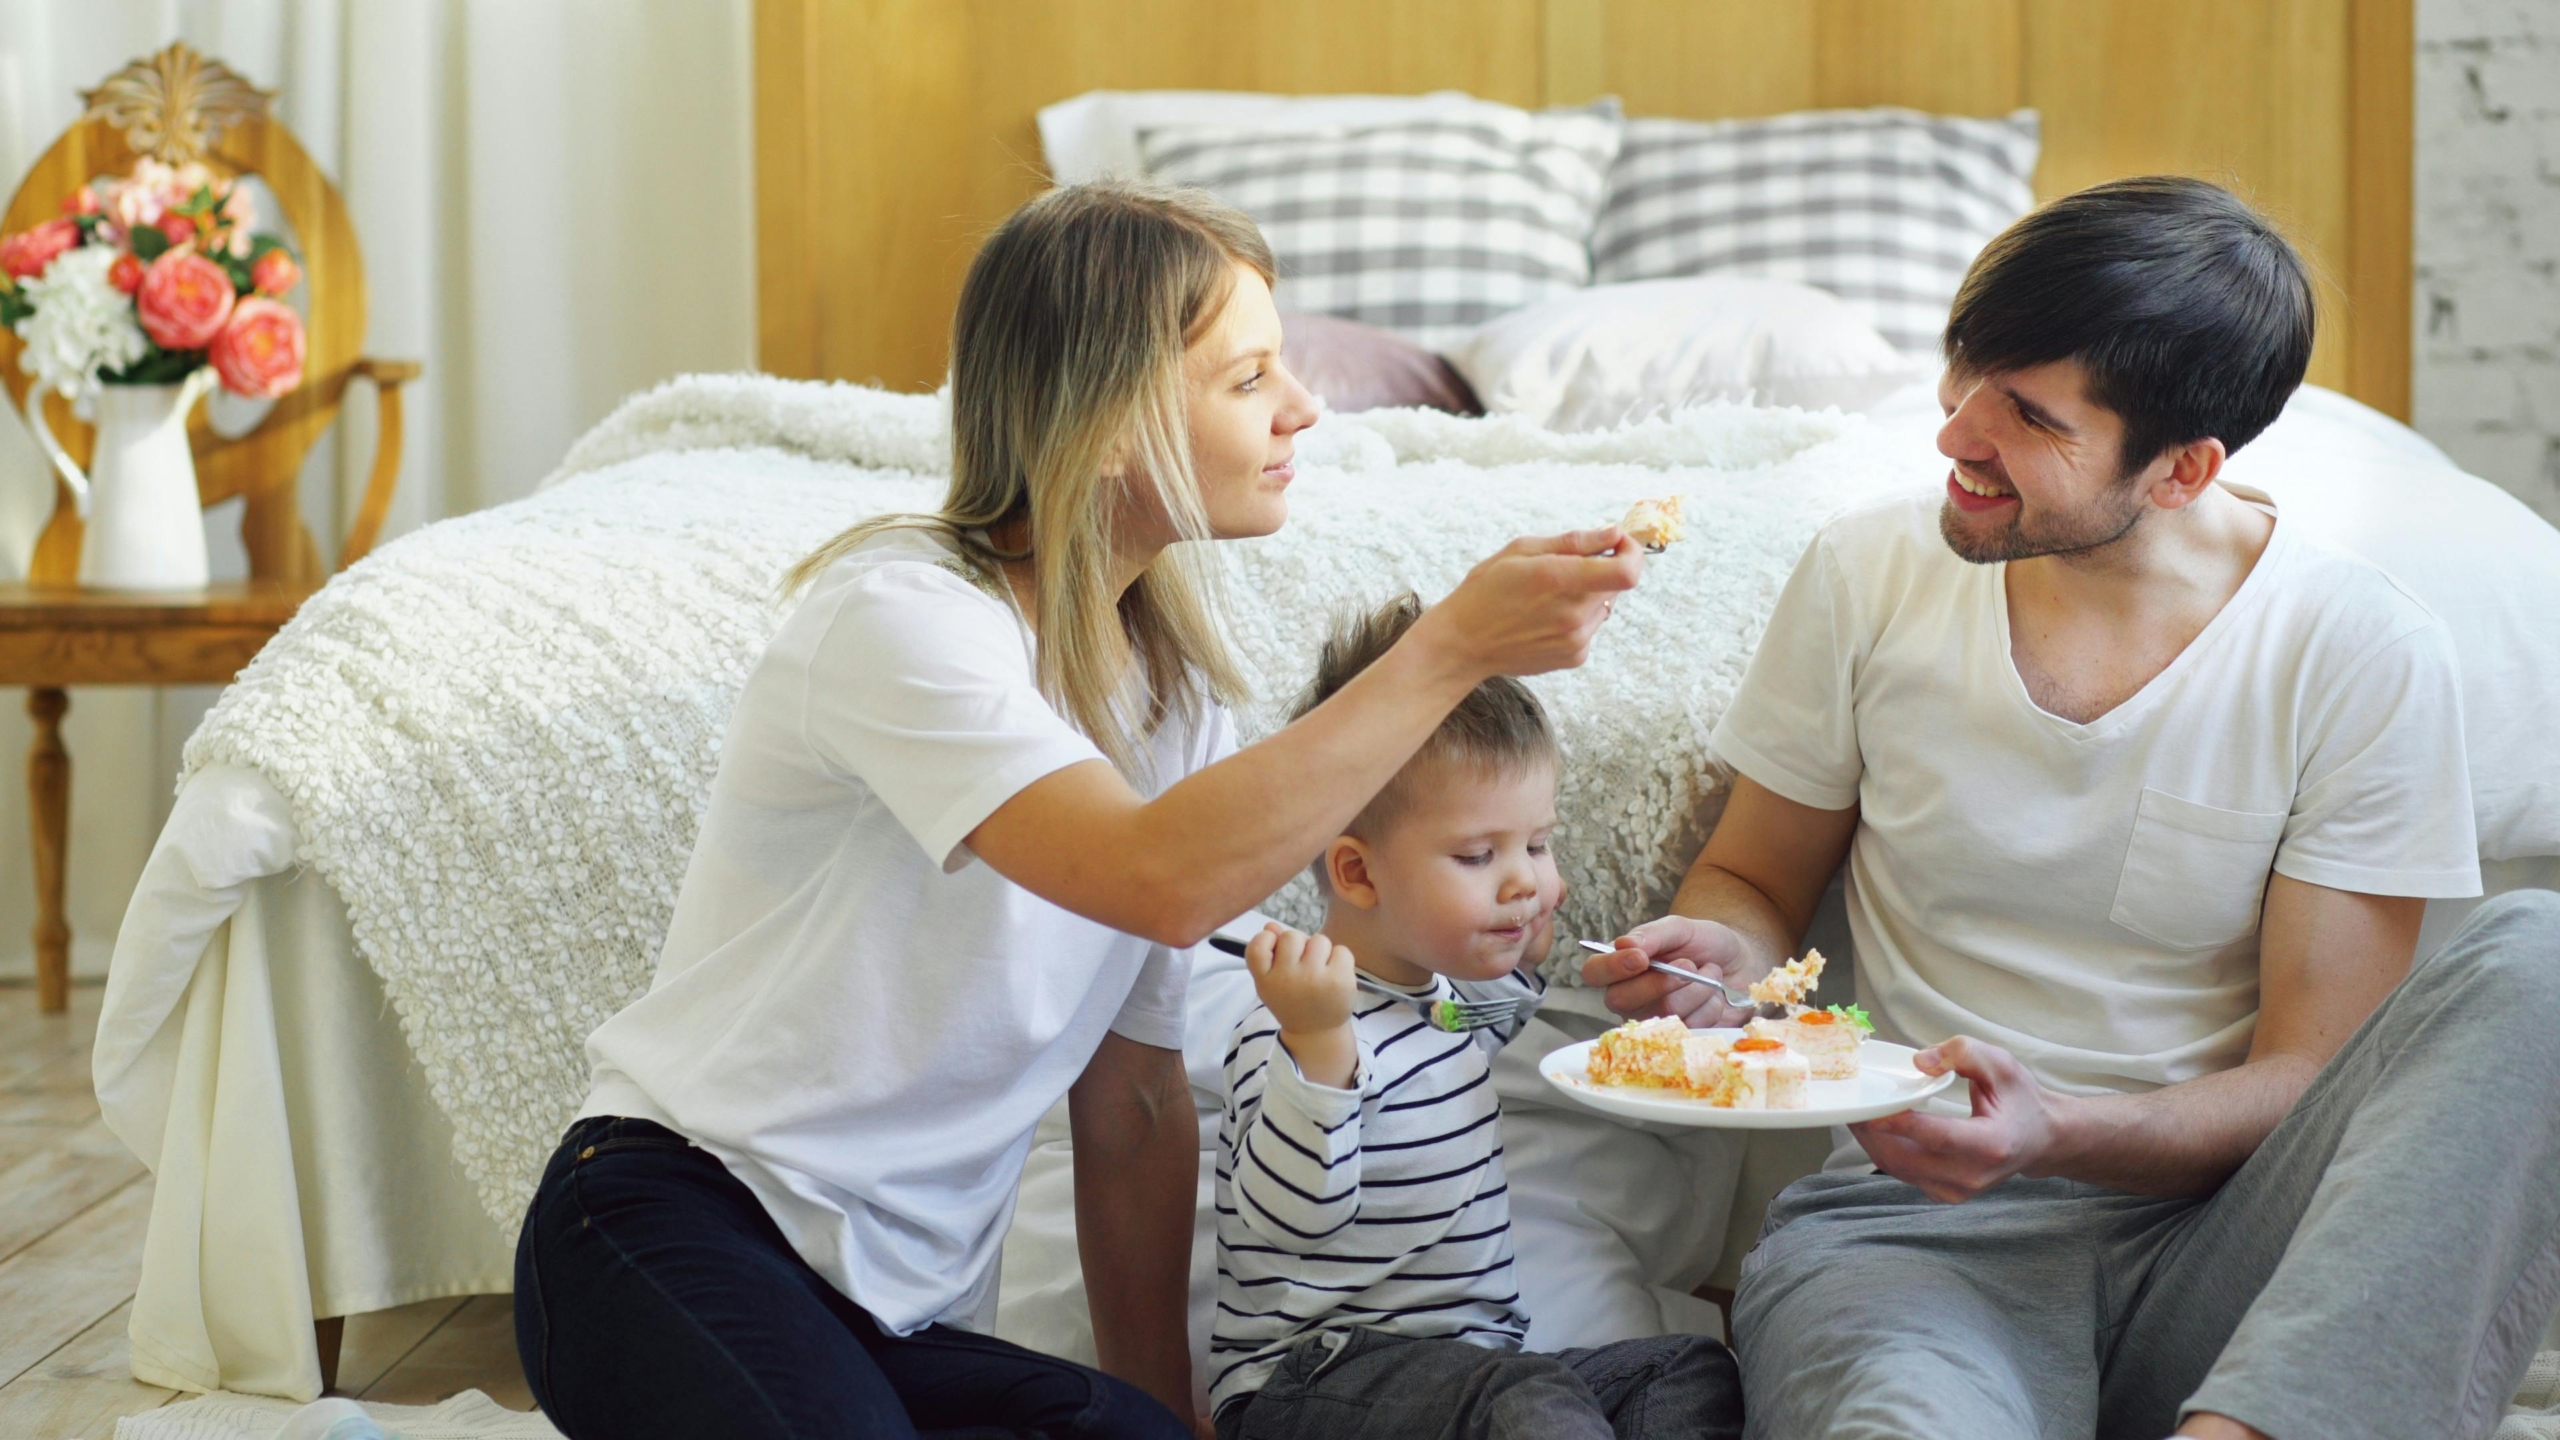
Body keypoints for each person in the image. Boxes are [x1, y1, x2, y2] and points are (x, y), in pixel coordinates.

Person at [511, 182, 1647, 1440]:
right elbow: (1151, 876)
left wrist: (1159, 1404)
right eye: (1247, 376)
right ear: (1110, 422)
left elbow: (1138, 1103)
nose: (1303, 407)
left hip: (897, 1318)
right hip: (675, 1222)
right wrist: (1448, 653)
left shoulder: (1172, 708)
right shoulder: (903, 620)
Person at [1581, 175, 2560, 1440]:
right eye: (1964, 374)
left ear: (2181, 469)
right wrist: (1730, 951)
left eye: (2029, 415)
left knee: (2537, 959)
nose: (1954, 438)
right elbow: (1756, 883)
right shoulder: (1866, 573)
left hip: (2235, 1246)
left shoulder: (2358, 648)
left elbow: (2306, 1077)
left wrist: (2060, 1131)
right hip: (1914, 1241)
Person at [1211, 596, 1742, 1440]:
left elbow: (1499, 1009)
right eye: (1477, 856)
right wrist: (1320, 1049)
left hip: (1479, 1372)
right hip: (1314, 1383)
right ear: (1356, 872)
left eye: (1537, 845)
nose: (1526, 880)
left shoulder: (1447, 1007)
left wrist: (1529, 952)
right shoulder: (1293, 1031)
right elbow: (1293, 1220)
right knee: (1525, 1400)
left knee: (1683, 1366)